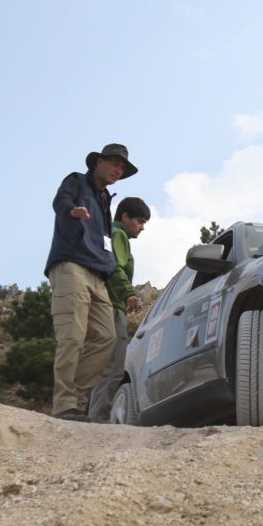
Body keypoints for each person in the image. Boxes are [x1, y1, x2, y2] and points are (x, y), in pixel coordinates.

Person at [44, 143, 138, 422]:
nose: (118, 170)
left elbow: (105, 243)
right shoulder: (77, 182)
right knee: (72, 335)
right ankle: (64, 404)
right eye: (114, 164)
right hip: (71, 264)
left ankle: (74, 398)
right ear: (97, 163)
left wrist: (117, 281)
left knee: (106, 338)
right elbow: (60, 201)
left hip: (99, 273)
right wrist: (72, 211)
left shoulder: (106, 200)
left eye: (122, 168)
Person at [88, 197, 151, 422]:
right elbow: (115, 265)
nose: (142, 228)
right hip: (111, 305)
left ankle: (95, 418)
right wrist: (129, 293)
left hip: (104, 304)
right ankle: (99, 421)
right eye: (140, 221)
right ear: (125, 217)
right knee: (113, 368)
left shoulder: (110, 234)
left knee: (103, 367)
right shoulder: (119, 235)